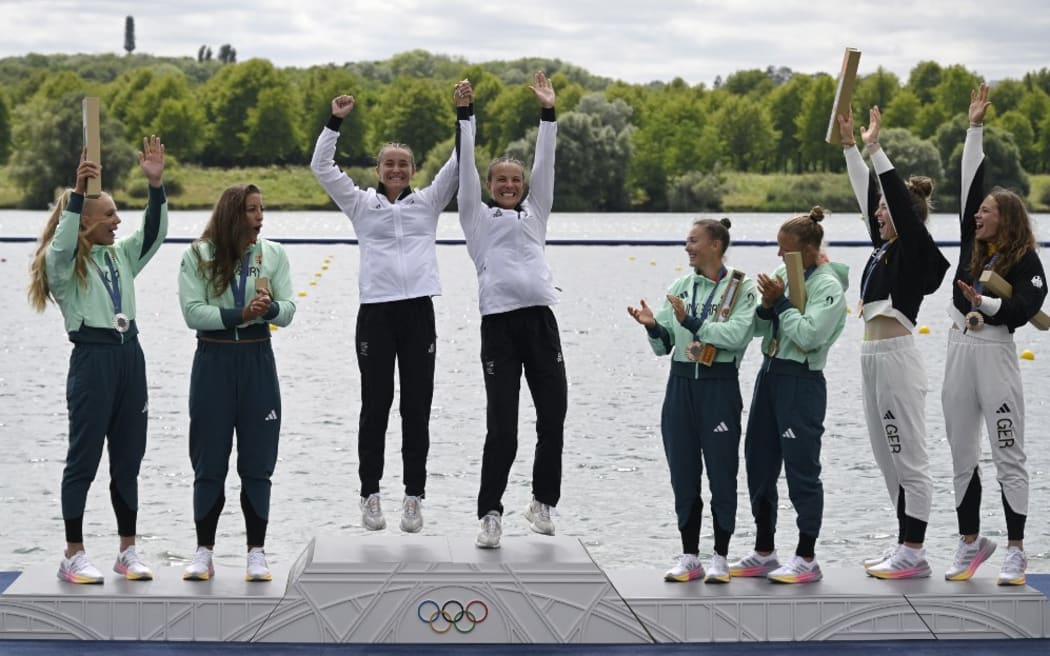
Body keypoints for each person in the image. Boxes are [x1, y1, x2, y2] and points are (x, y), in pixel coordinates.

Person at [310, 87, 460, 533]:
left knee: (417, 407)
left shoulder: (428, 202)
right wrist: (335, 121)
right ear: (377, 170)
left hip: (417, 313)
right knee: (375, 405)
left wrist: (463, 114)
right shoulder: (360, 203)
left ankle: (414, 496)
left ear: (413, 171)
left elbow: (459, 162)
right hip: (375, 313)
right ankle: (370, 493)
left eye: (403, 164)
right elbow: (321, 167)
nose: (396, 170)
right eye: (388, 163)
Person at [28, 136, 167, 584]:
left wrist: (156, 185)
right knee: (83, 459)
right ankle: (73, 553)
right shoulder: (64, 266)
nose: (116, 220)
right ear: (85, 221)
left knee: (128, 458)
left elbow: (153, 232)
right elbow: (62, 247)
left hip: (131, 358)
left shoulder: (121, 254)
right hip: (93, 359)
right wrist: (75, 195)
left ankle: (127, 550)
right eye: (108, 215)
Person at [455, 73, 568, 549]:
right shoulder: (476, 217)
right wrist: (465, 117)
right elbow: (465, 173)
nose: (507, 184)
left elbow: (546, 165)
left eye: (514, 180)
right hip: (499, 326)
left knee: (554, 415)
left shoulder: (536, 212)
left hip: (541, 322)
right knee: (503, 424)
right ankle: (490, 513)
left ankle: (542, 502)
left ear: (523, 187)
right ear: (490, 185)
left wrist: (548, 114)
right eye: (500, 179)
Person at [837, 107, 949, 579]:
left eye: (886, 208)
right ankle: (903, 542)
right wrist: (849, 147)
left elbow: (896, 206)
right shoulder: (883, 248)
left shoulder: (916, 247)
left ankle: (915, 549)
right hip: (871, 358)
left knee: (909, 456)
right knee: (887, 457)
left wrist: (876, 147)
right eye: (879, 209)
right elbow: (868, 197)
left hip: (898, 359)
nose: (877, 213)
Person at [942, 84, 1047, 586]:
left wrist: (984, 301)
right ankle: (969, 543)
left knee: (1008, 451)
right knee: (962, 451)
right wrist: (974, 127)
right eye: (976, 211)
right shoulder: (971, 243)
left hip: (995, 353)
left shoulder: (1026, 260)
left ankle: (1016, 549)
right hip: (958, 348)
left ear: (1005, 218)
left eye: (986, 211)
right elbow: (969, 181)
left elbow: (1025, 309)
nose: (977, 214)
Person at [627, 218, 757, 583]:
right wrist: (653, 325)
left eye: (693, 241)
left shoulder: (741, 289)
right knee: (683, 475)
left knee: (721, 474)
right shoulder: (681, 286)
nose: (687, 247)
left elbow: (735, 335)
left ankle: (720, 556)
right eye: (687, 241)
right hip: (680, 386)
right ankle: (689, 556)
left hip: (719, 386)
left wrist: (694, 321)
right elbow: (666, 344)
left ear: (715, 245)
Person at [177, 183, 296, 582]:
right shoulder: (198, 254)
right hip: (214, 359)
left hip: (258, 361)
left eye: (262, 209)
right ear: (232, 214)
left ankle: (256, 553)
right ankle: (203, 552)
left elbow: (289, 310)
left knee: (258, 463)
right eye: (251, 210)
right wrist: (241, 314)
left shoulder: (274, 254)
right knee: (209, 462)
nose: (259, 217)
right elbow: (194, 313)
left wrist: (271, 308)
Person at [729, 207, 848, 584]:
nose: (779, 256)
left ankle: (807, 556)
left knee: (802, 469)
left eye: (787, 250)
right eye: (778, 249)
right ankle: (764, 551)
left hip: (802, 381)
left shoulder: (829, 287)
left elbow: (809, 335)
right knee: (758, 463)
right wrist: (767, 306)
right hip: (769, 375)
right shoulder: (785, 275)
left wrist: (780, 303)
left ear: (810, 250)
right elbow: (763, 330)